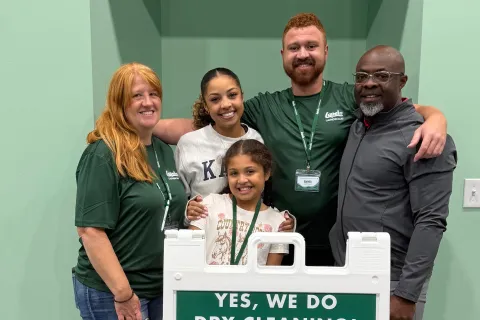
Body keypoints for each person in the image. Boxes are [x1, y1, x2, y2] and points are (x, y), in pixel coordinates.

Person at [153, 13, 448, 267]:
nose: (303, 53)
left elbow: (400, 107)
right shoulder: (266, 106)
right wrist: (144, 125)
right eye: (294, 47)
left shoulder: (349, 96)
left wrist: (436, 117)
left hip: (336, 242)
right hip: (278, 236)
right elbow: (209, 123)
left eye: (311, 46)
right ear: (283, 54)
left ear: (326, 51)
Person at [328, 46, 457, 320]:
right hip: (349, 271)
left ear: (402, 81)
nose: (369, 83)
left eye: (382, 75)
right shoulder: (360, 124)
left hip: (392, 283)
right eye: (361, 76)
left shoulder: (423, 139)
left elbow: (431, 221)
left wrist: (406, 295)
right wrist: (435, 113)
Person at [72, 62, 188, 320]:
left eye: (153, 94)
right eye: (137, 96)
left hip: (159, 287)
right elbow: (90, 231)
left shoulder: (162, 150)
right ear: (119, 103)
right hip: (113, 293)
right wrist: (123, 294)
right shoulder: (103, 154)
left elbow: (162, 205)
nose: (148, 102)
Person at [177, 67, 295, 231]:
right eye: (215, 99)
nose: (225, 104)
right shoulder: (188, 144)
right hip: (203, 237)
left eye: (232, 95)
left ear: (242, 96)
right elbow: (177, 200)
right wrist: (187, 211)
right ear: (205, 105)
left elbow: (263, 197)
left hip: (247, 238)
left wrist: (279, 222)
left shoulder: (256, 140)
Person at [188, 139, 289, 266]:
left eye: (250, 171)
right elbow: (188, 256)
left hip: (253, 286)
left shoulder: (279, 223)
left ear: (266, 173)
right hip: (206, 285)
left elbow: (271, 277)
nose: (241, 180)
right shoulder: (210, 204)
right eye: (234, 173)